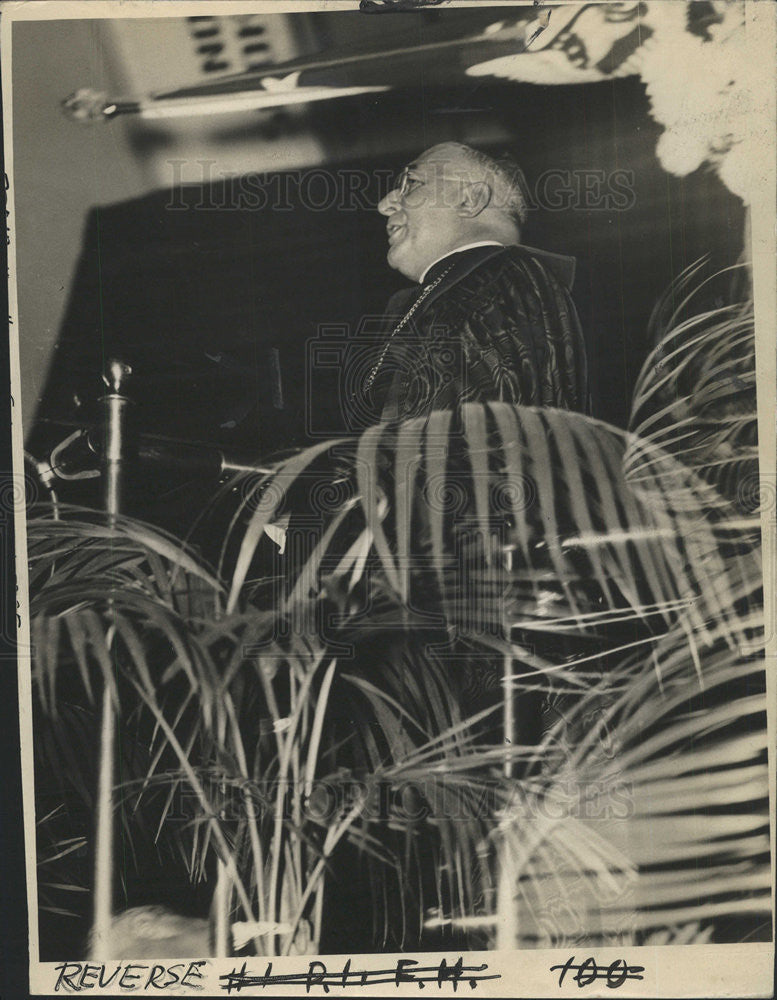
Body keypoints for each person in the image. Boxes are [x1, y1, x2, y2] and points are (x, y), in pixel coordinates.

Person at [364, 142, 588, 422]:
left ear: (470, 200)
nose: (385, 204)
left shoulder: (503, 278)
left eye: (412, 183)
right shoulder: (464, 285)